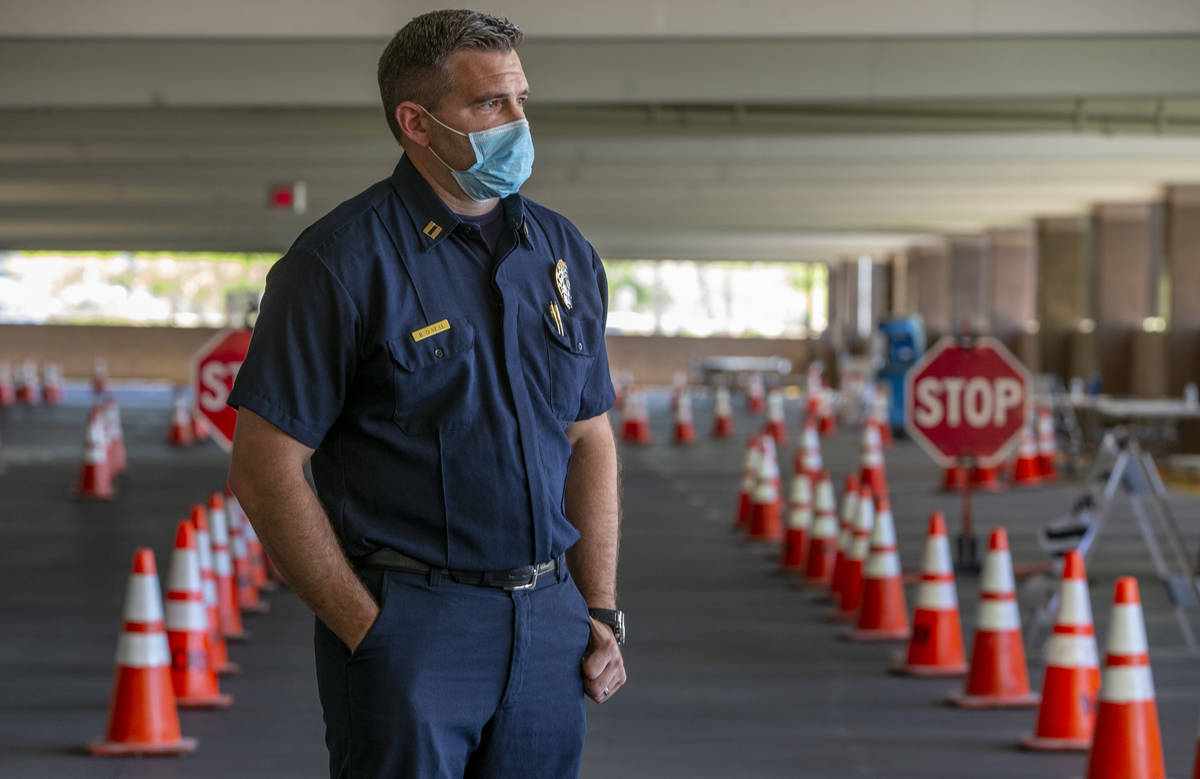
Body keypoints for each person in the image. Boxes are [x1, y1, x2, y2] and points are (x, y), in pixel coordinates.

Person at [226, 9, 625, 778]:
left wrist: (598, 607)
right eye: (490, 105)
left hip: (548, 623)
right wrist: (367, 629)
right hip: (413, 624)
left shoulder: (562, 252)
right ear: (416, 122)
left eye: (521, 101)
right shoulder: (339, 263)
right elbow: (264, 468)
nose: (517, 122)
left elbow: (590, 437)